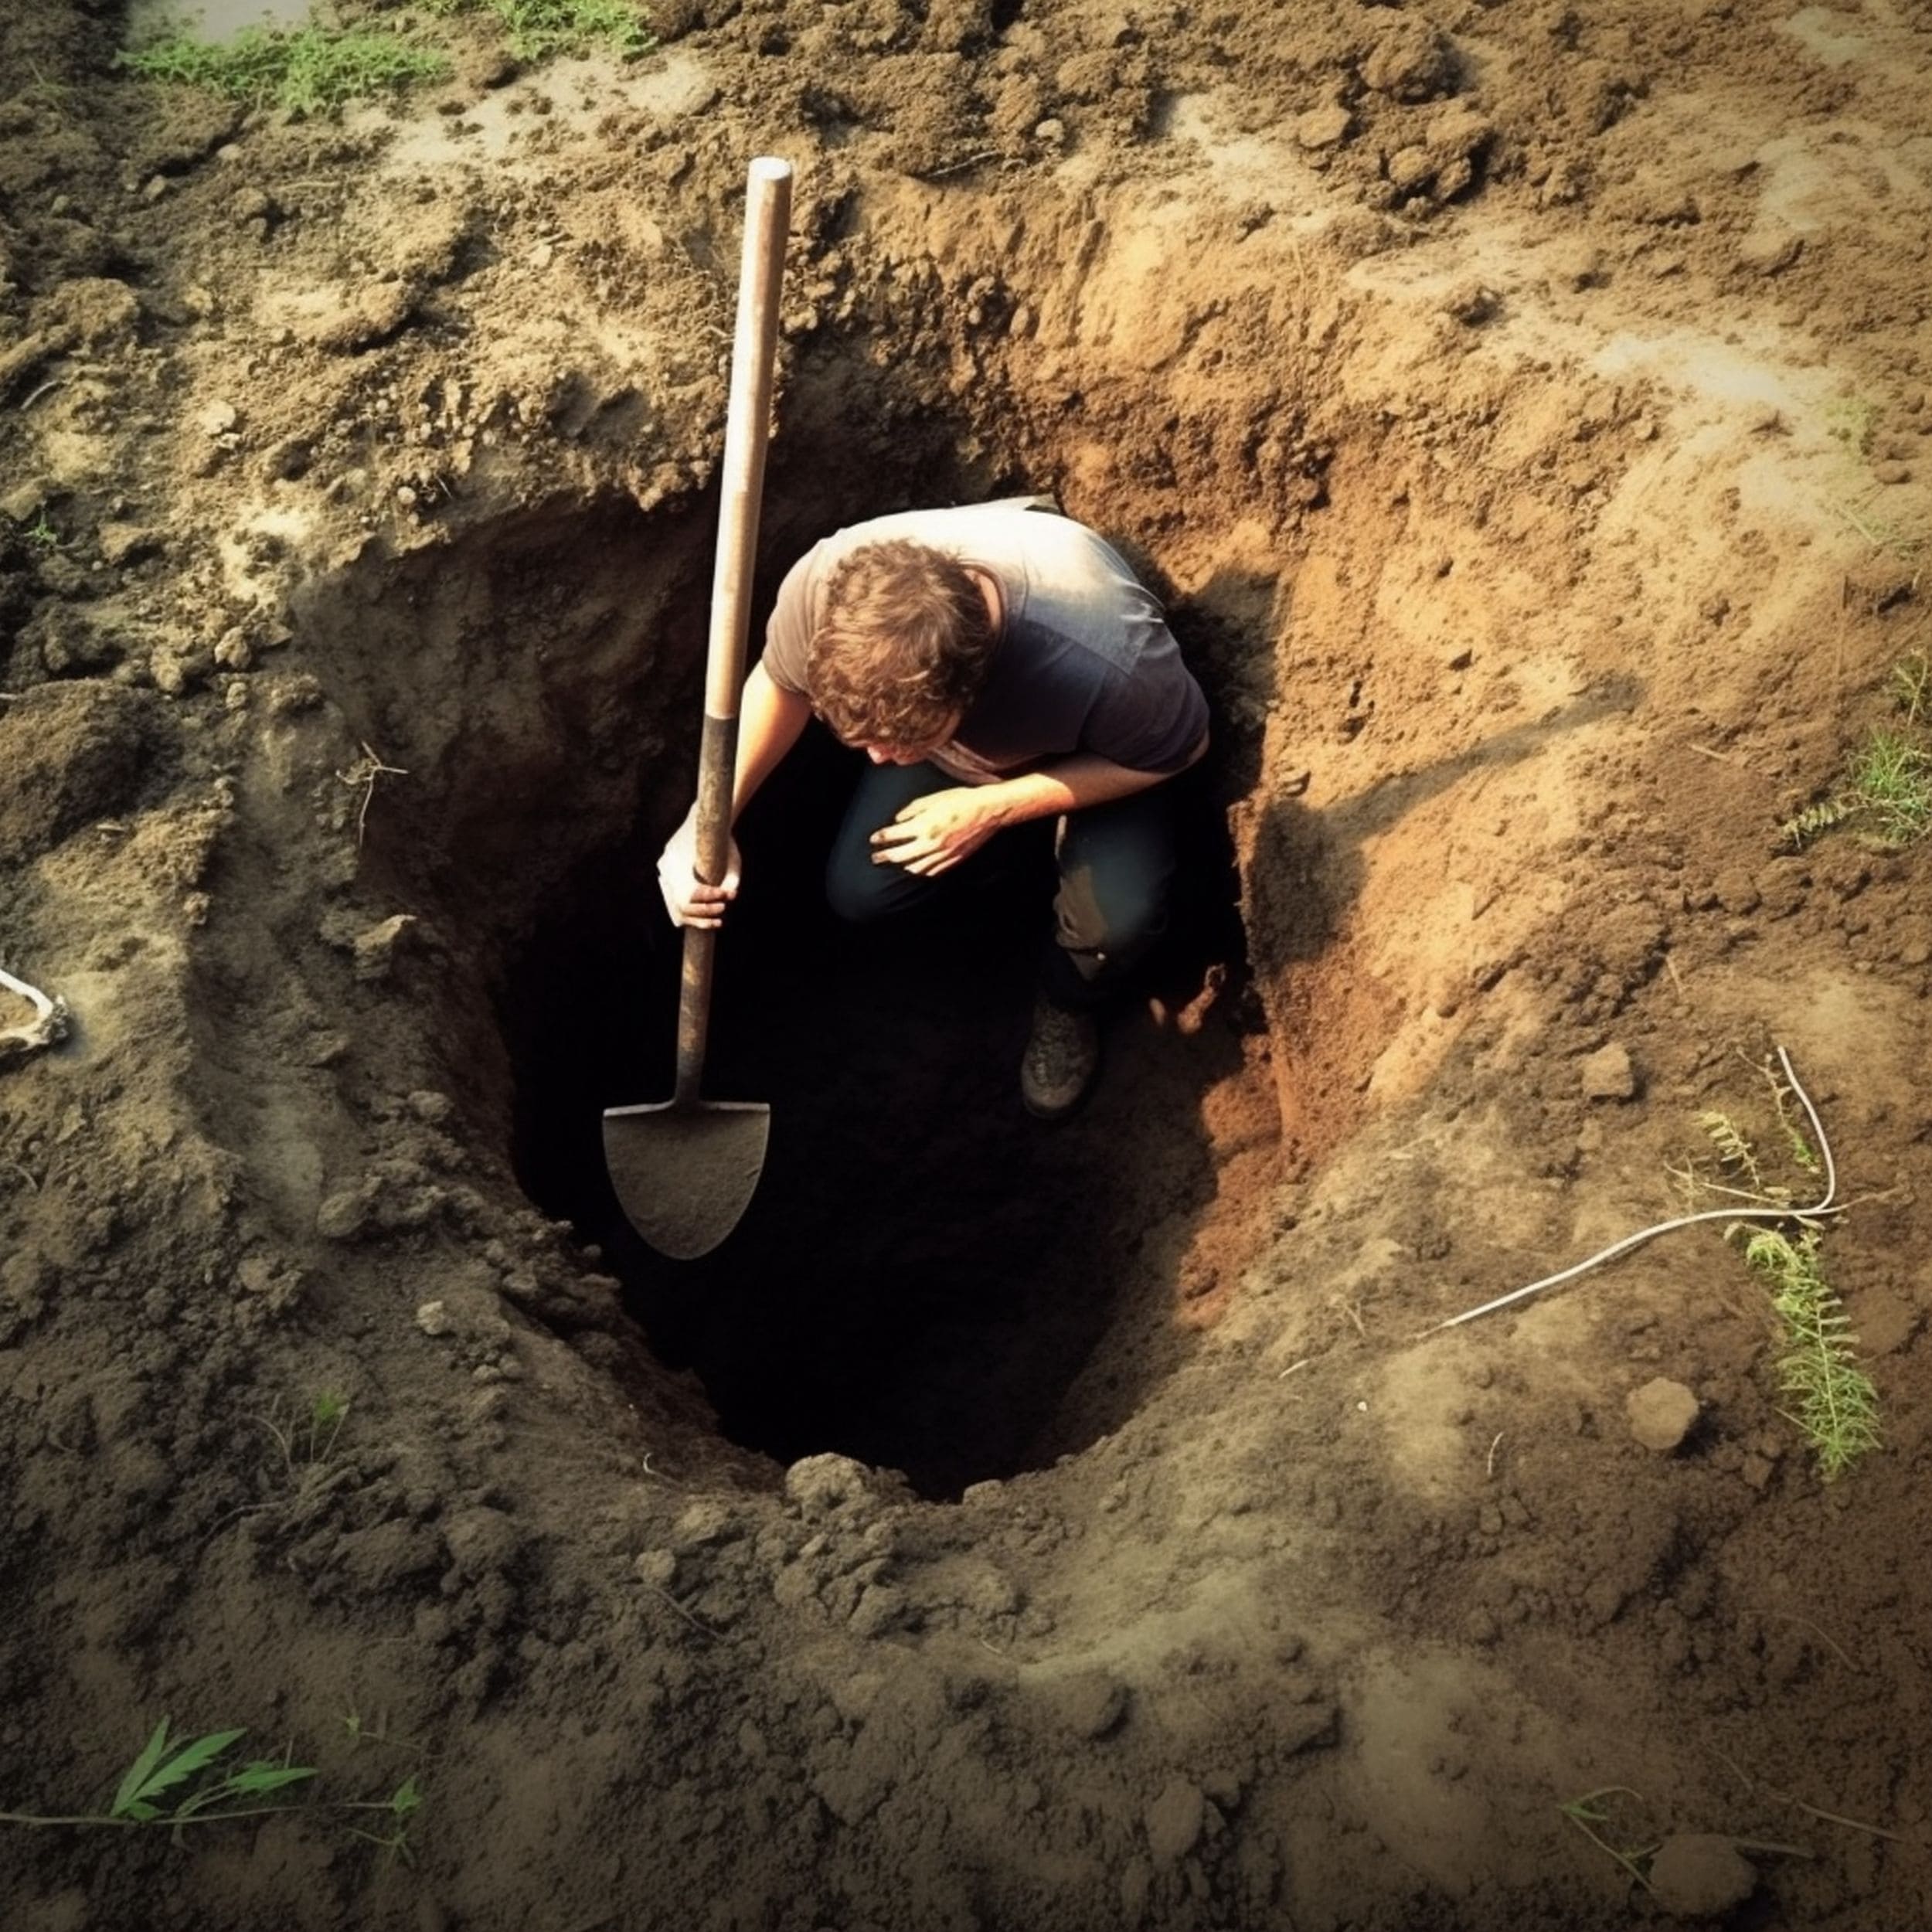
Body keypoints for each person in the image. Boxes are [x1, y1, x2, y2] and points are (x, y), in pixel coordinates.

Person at [657, 498, 1209, 1117]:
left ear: (969, 695)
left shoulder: (1110, 660)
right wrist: (707, 820)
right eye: (860, 740)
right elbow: (780, 683)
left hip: (1103, 754)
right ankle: (1010, 885)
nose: (877, 759)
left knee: (1116, 921)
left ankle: (1067, 1000)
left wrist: (996, 808)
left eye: (900, 743)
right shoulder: (828, 590)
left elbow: (1179, 752)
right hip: (976, 755)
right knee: (861, 890)